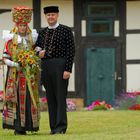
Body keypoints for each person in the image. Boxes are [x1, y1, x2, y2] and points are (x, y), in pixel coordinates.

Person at [35, 6, 75, 134]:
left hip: (60, 65)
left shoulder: (66, 30)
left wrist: (68, 69)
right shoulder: (42, 32)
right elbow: (36, 49)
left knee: (60, 97)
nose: (50, 17)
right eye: (48, 15)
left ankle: (61, 127)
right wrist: (38, 53)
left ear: (57, 15)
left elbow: (71, 51)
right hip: (46, 67)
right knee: (50, 97)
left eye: (53, 14)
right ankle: (53, 127)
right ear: (45, 17)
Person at [2, 6, 40, 135]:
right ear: (16, 26)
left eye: (24, 25)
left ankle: (29, 125)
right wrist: (14, 64)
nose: (22, 28)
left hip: (29, 75)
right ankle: (18, 127)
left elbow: (35, 54)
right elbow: (5, 57)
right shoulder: (10, 40)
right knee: (16, 99)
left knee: (28, 99)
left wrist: (34, 58)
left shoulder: (31, 39)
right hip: (15, 75)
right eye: (20, 25)